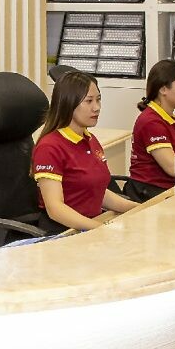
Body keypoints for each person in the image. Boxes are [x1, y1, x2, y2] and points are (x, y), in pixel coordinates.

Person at [31, 71, 139, 232]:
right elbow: (55, 209)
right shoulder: (49, 147)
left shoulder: (90, 139)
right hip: (65, 232)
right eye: (89, 101)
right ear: (68, 104)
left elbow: (96, 192)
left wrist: (139, 208)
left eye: (98, 99)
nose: (97, 107)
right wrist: (102, 229)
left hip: (91, 224)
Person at [128, 60, 175, 191]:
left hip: (171, 187)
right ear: (163, 89)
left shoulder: (169, 118)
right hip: (151, 191)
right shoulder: (151, 122)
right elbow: (174, 168)